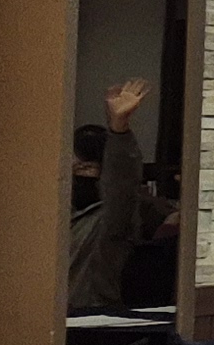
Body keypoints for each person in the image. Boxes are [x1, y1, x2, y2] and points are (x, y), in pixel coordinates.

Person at [64, 79, 151, 315]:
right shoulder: (56, 215)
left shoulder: (109, 221)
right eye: (75, 168)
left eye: (86, 168)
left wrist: (119, 128)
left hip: (89, 319)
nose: (77, 175)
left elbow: (122, 188)